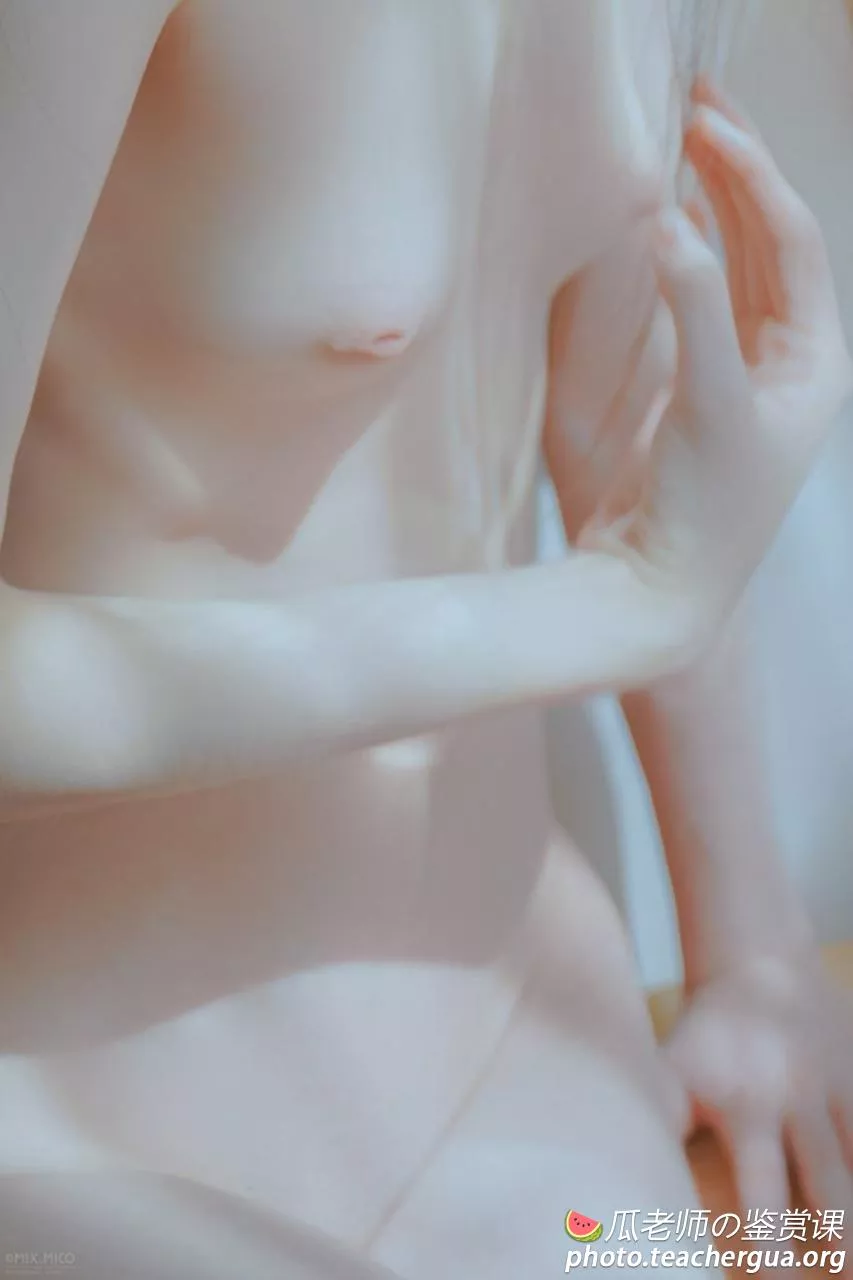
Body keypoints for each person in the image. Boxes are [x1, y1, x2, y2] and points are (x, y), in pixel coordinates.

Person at [0, 2, 850, 1276]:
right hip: (83, 1110)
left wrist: (750, 949)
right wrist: (607, 611)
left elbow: (633, 439)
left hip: (520, 1031)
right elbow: (653, 568)